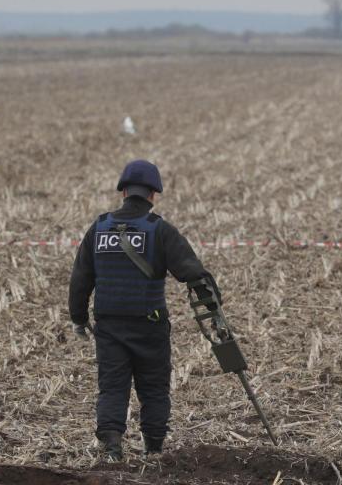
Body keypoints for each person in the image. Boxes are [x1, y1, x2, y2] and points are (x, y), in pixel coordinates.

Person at [69, 159, 220, 461]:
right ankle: (153, 448)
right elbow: (193, 273)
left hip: (109, 326)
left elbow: (80, 278)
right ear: (153, 195)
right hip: (149, 325)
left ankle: (112, 444)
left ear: (123, 191)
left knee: (112, 387)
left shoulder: (98, 229)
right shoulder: (159, 230)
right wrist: (214, 307)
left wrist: (79, 318)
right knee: (153, 387)